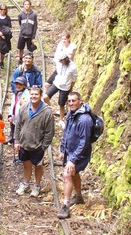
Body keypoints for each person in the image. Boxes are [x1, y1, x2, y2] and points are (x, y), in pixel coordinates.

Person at [57, 91, 94, 219]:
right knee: (74, 174)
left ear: (80, 101)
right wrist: (62, 149)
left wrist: (72, 160)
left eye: (74, 101)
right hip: (70, 151)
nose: (71, 103)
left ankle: (65, 206)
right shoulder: (71, 115)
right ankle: (78, 196)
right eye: (69, 101)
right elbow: (66, 133)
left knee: (67, 174)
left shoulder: (84, 119)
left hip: (79, 153)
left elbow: (84, 142)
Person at [14, 86, 54, 198]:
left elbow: (49, 132)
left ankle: (37, 185)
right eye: (32, 94)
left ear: (41, 96)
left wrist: (44, 146)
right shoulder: (24, 107)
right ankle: (25, 184)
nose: (33, 96)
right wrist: (17, 140)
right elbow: (18, 125)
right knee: (26, 164)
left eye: (36, 94)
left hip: (37, 145)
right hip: (24, 143)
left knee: (38, 165)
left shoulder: (47, 112)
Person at [43, 52, 78, 120]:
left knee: (61, 105)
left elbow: (74, 79)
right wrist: (49, 82)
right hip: (56, 83)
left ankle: (61, 119)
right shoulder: (59, 64)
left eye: (62, 60)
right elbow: (56, 72)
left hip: (65, 87)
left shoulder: (72, 67)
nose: (61, 62)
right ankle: (51, 111)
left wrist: (70, 89)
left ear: (65, 59)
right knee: (45, 97)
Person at [7, 75, 29, 161]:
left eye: (20, 84)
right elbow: (13, 105)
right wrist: (10, 115)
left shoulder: (26, 95)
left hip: (21, 121)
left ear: (24, 85)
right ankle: (19, 156)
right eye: (16, 83)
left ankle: (22, 157)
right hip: (14, 120)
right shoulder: (16, 93)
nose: (18, 85)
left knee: (21, 138)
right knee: (15, 137)